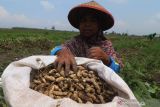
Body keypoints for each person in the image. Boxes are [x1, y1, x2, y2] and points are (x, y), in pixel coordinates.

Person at [51, 1, 123, 75]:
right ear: (79, 25)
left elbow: (117, 68)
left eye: (93, 21)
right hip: (77, 77)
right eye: (83, 20)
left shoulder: (106, 45)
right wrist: (62, 52)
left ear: (99, 25)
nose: (87, 24)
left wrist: (107, 59)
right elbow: (55, 49)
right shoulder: (76, 42)